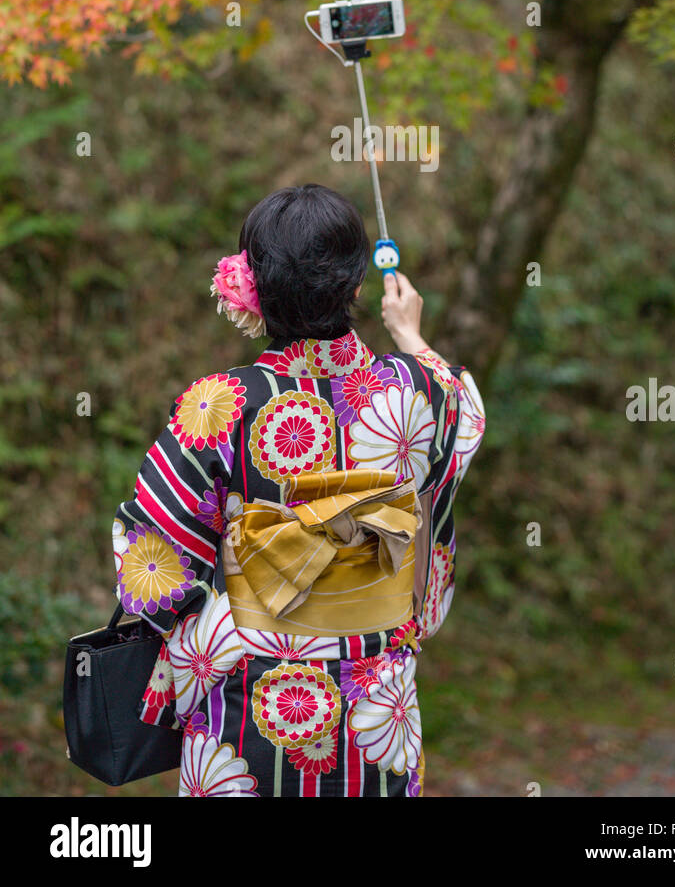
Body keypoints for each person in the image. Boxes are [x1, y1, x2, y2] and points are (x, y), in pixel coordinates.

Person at [111, 184, 485, 797]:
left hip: (244, 698)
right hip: (376, 704)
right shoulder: (421, 392)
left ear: (252, 289)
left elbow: (150, 560)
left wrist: (196, 640)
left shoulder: (222, 405)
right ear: (358, 285)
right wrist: (410, 334)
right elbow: (467, 415)